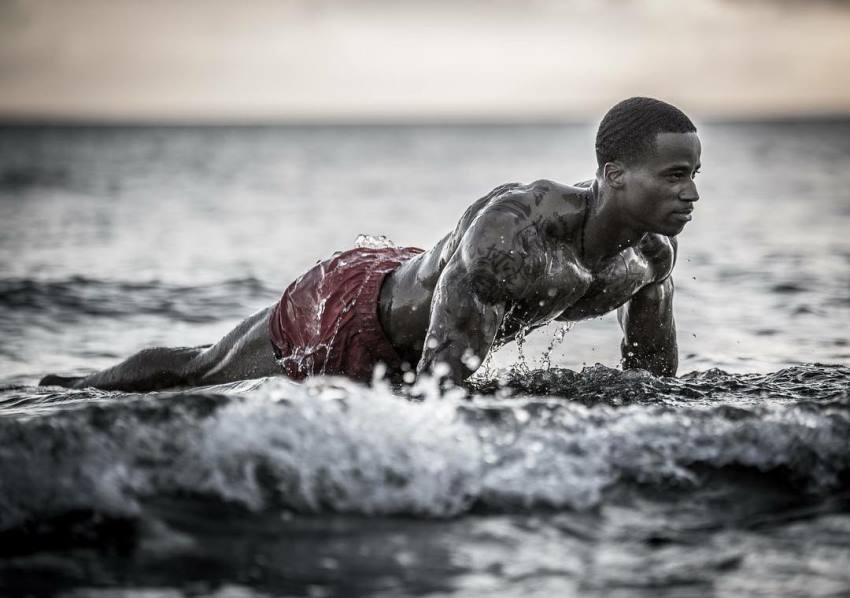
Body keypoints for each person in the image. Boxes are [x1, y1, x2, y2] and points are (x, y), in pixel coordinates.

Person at [39, 97, 701, 391]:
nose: (691, 194)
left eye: (695, 176)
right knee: (200, 371)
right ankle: (75, 392)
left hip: (403, 286)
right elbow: (440, 385)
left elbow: (650, 388)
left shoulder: (647, 262)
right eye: (675, 176)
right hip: (349, 309)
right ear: (613, 175)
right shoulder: (516, 227)